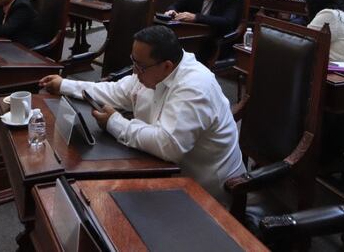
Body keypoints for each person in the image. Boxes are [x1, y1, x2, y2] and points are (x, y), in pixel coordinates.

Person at [38, 25, 245, 203]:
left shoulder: (195, 86)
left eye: (140, 66)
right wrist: (64, 85)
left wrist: (114, 122)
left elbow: (168, 145)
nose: (135, 72)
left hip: (208, 193)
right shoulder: (153, 72)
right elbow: (116, 91)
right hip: (164, 170)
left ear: (167, 66)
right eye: (134, 62)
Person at [164, 0, 241, 57]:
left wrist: (196, 17)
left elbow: (227, 22)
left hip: (215, 41)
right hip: (191, 35)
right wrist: (171, 11)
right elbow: (175, 5)